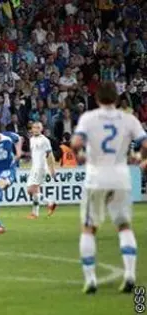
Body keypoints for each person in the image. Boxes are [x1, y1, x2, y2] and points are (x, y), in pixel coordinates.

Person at [71, 82, 147, 294]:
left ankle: (91, 280)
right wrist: (142, 159)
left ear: (96, 99)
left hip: (96, 178)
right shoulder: (128, 119)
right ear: (116, 98)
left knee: (89, 228)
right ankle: (130, 274)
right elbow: (145, 144)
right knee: (124, 226)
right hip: (120, 178)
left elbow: (76, 143)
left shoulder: (89, 118)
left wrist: (80, 155)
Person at [26, 122, 58, 219]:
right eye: (34, 127)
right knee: (33, 191)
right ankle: (35, 213)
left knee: (31, 189)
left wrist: (52, 169)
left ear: (42, 129)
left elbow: (50, 156)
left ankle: (50, 202)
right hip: (34, 167)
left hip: (41, 167)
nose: (36, 129)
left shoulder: (45, 140)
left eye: (38, 127)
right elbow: (34, 154)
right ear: (31, 129)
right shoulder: (31, 139)